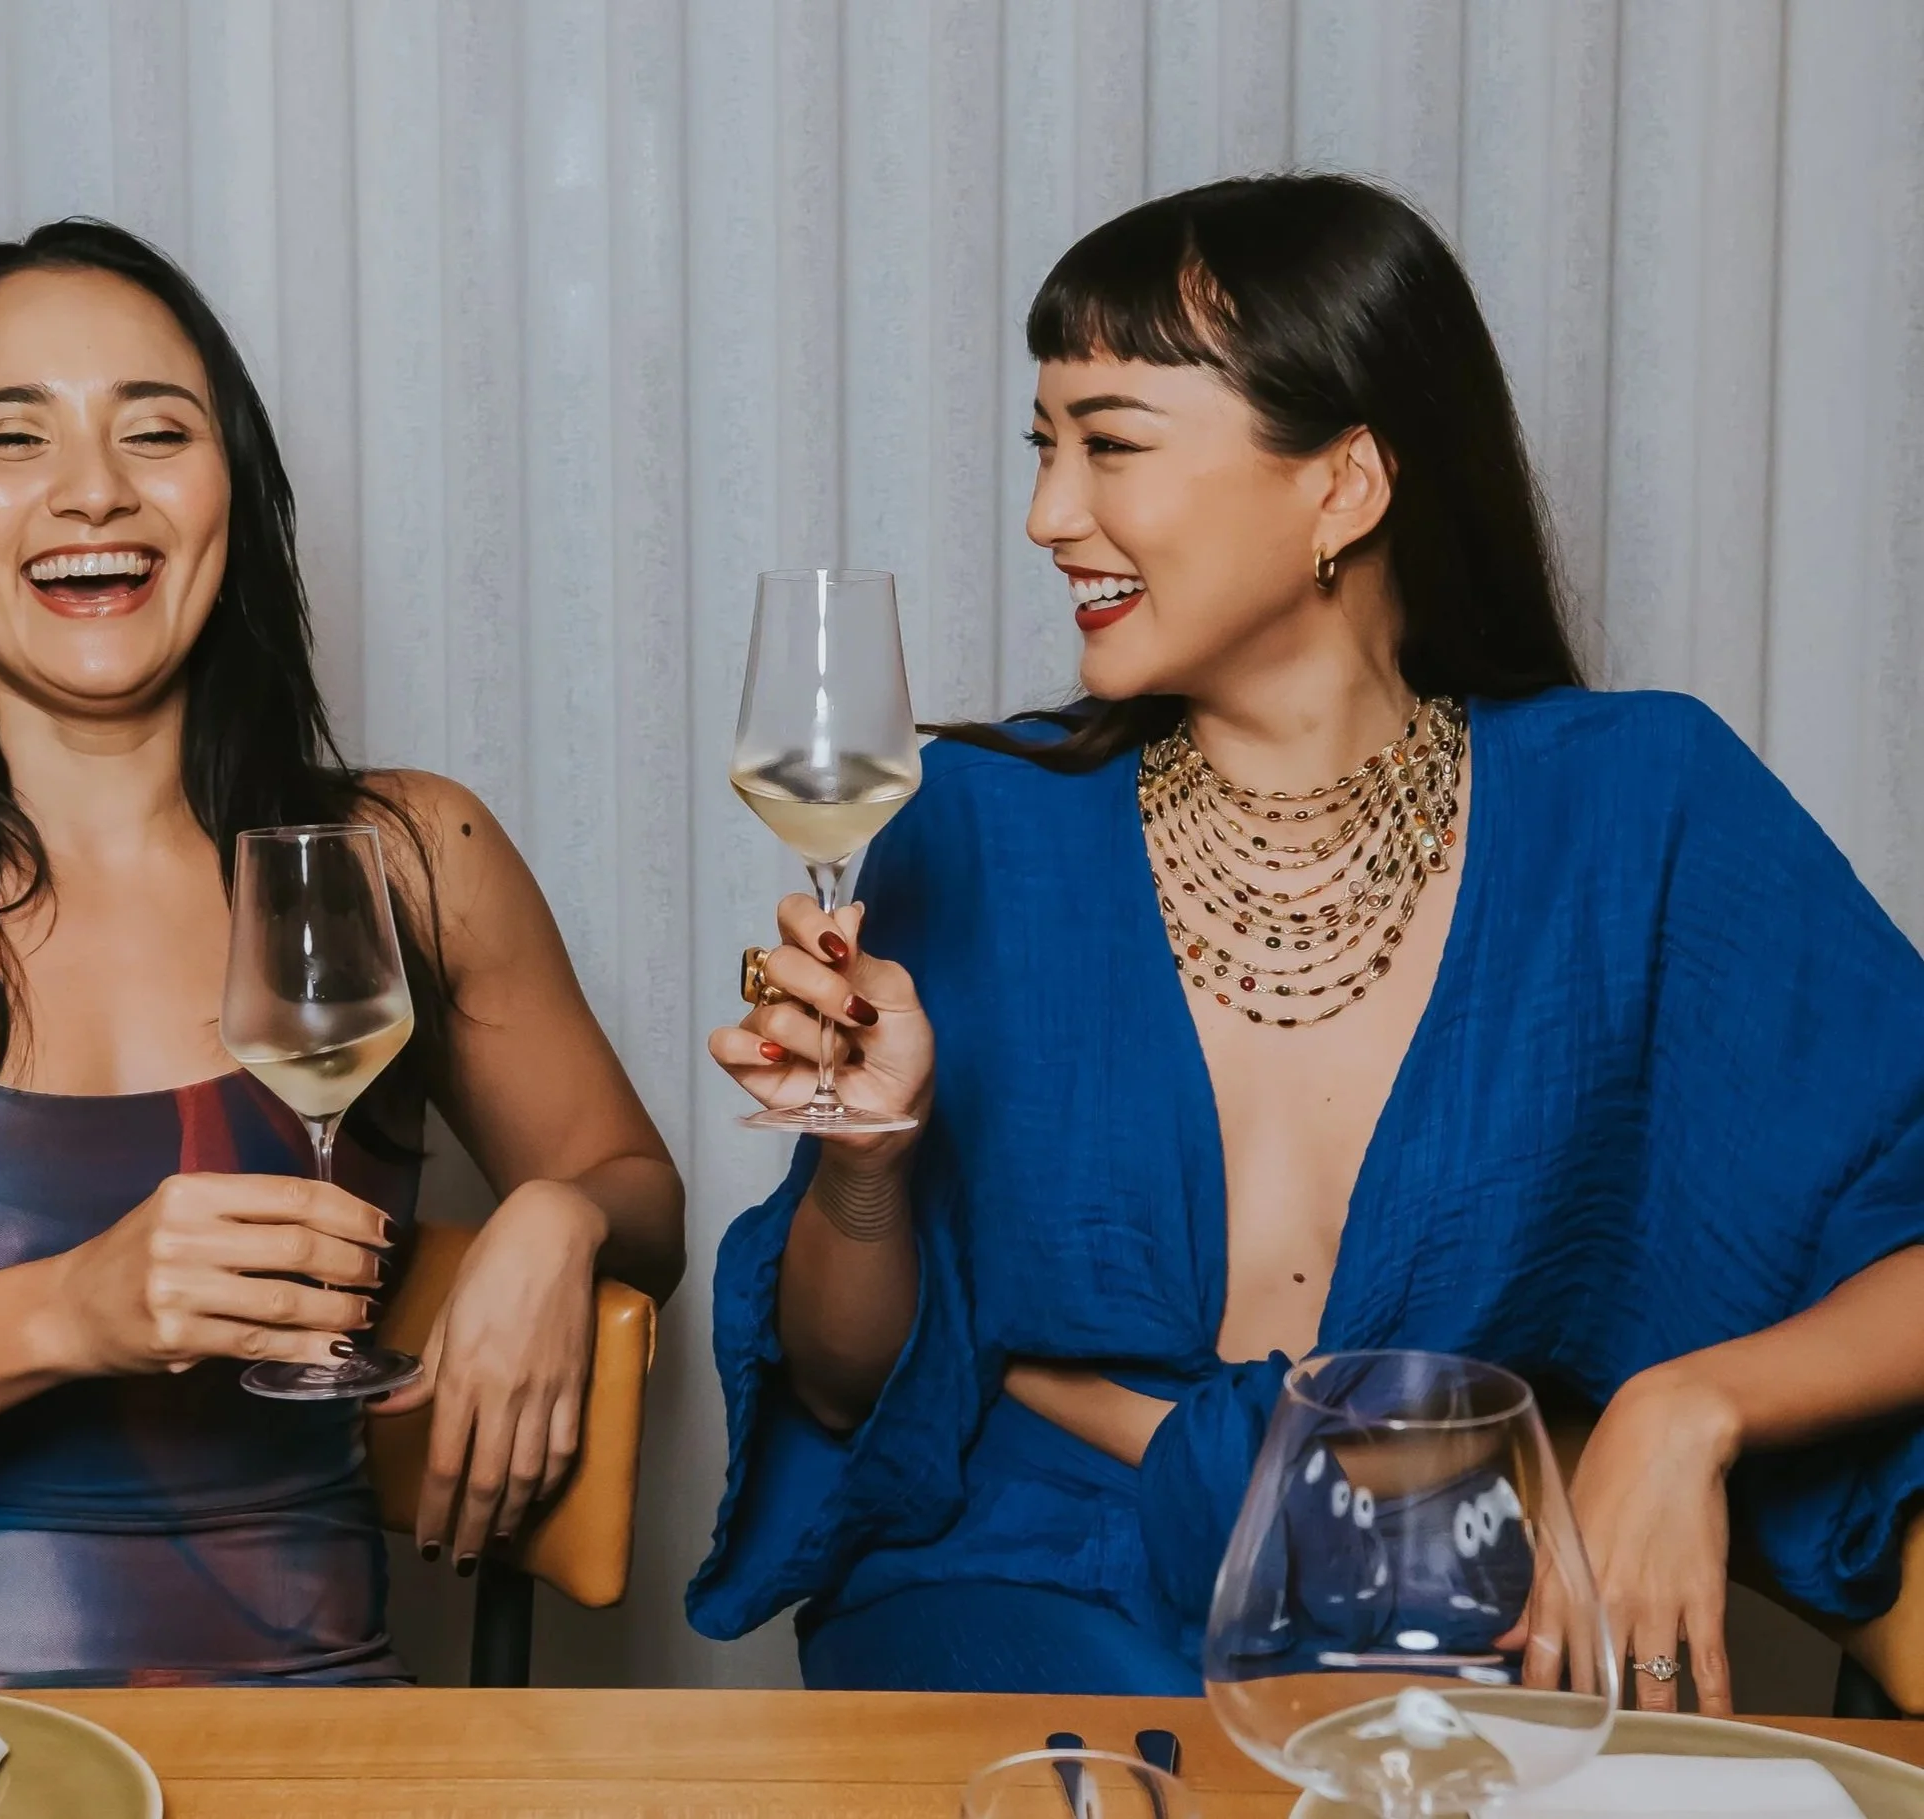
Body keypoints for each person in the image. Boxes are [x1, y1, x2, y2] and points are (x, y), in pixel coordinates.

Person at [693, 173, 1924, 1707]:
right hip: (1020, 1577)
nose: (1047, 514)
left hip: (1433, 1609)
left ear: (1344, 486)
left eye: (1109, 443)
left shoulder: (1639, 811)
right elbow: (842, 1384)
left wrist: (1692, 1406)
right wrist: (866, 1168)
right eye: (1042, 445)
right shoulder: (979, 824)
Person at [0, 219, 684, 1690]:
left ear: (232, 499)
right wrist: (64, 1310)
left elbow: (637, 1188)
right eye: (12, 437)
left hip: (303, 1737)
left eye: (156, 431)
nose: (95, 488)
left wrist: (558, 1220)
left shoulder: (408, 857)